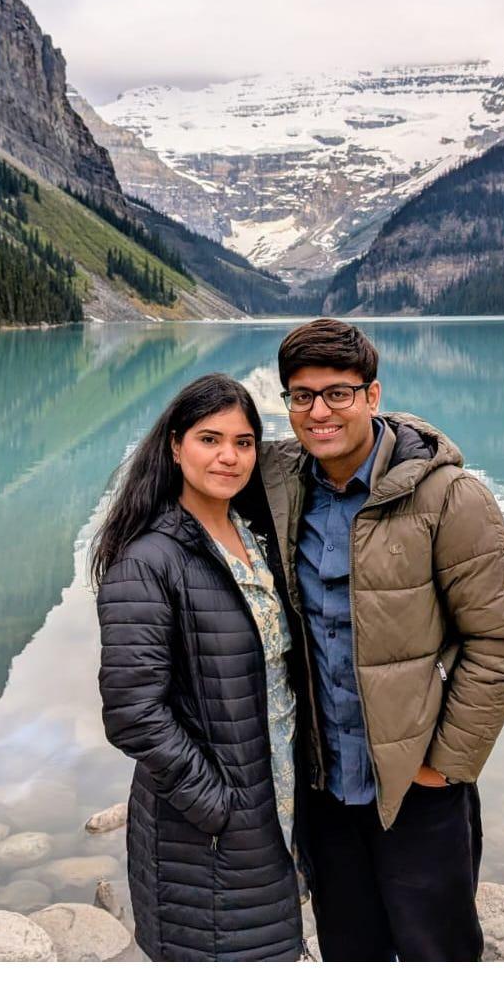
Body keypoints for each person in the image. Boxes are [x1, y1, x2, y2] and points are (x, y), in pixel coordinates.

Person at [260, 318, 504, 961]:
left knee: (439, 954)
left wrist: (443, 768)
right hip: (325, 787)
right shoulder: (278, 483)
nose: (319, 412)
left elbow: (500, 641)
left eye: (338, 393)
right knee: (350, 952)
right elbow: (198, 464)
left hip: (418, 789)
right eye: (302, 396)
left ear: (373, 395)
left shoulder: (451, 498)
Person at [92, 373, 303, 961]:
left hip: (274, 801)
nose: (228, 456)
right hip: (205, 833)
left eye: (243, 442)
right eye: (210, 439)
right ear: (175, 446)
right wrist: (218, 806)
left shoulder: (254, 538)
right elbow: (133, 713)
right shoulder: (148, 561)